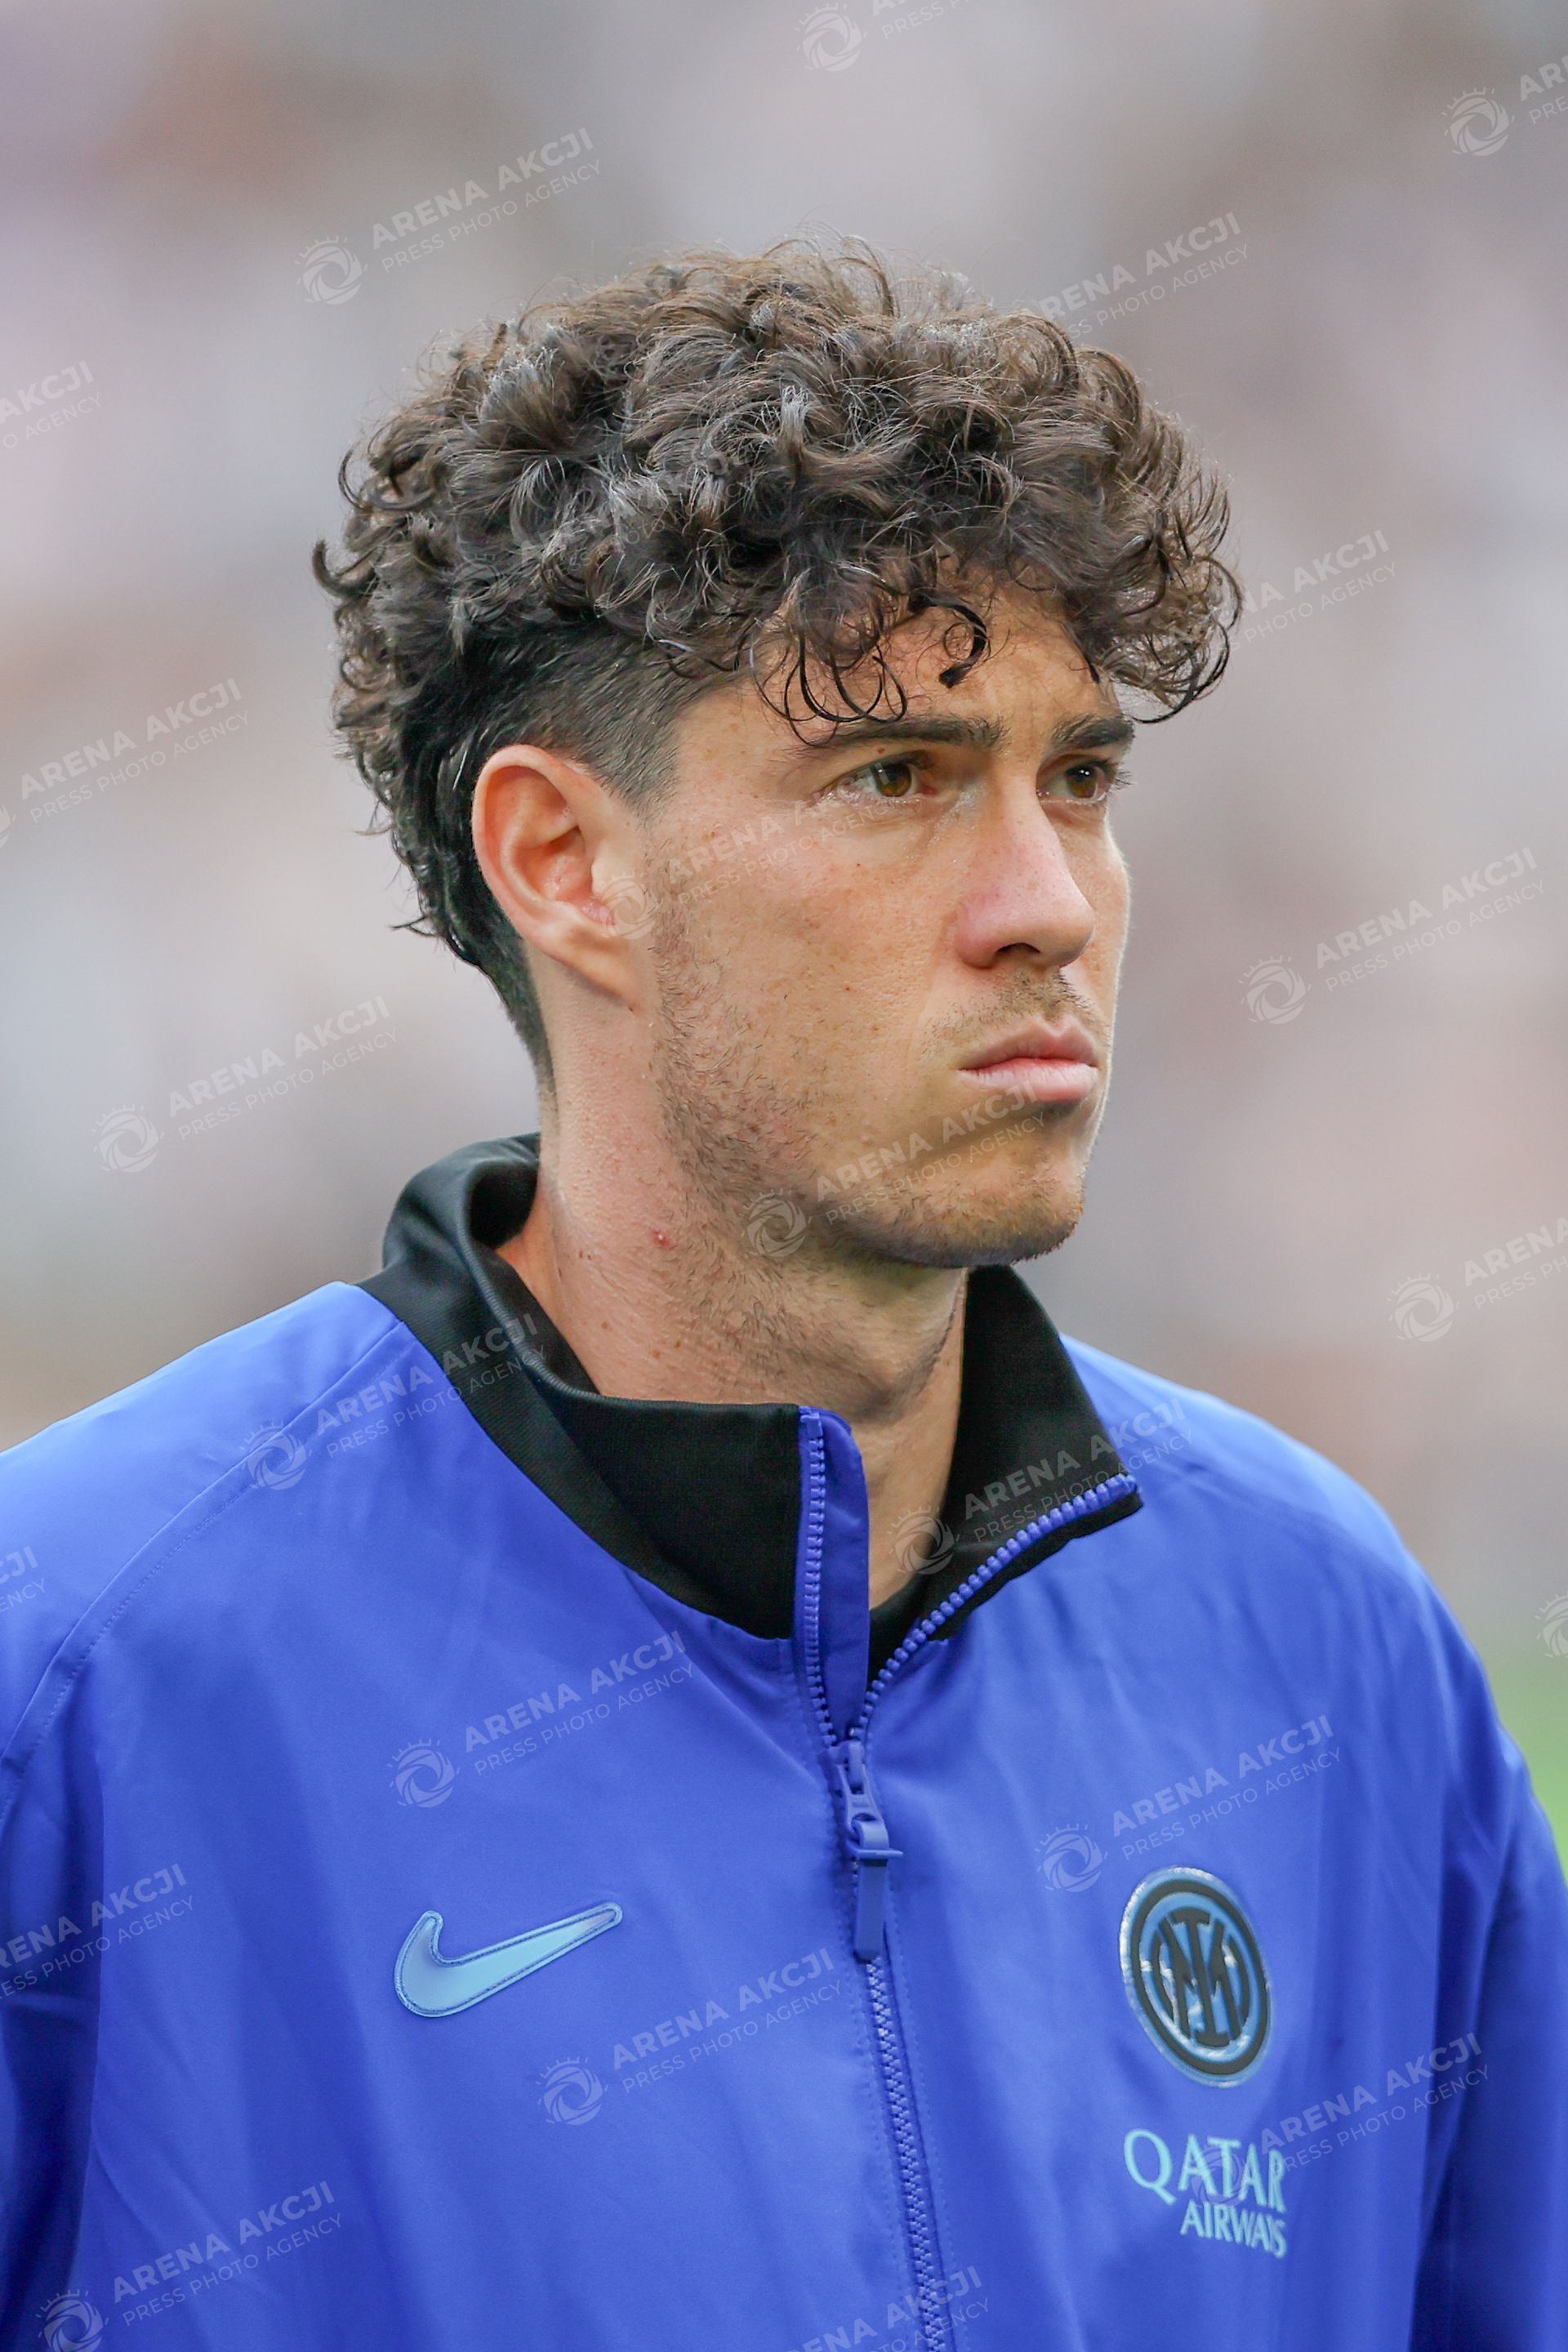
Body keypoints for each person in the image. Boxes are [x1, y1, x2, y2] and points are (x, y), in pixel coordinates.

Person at [1, 240, 1562, 2352]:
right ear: (564, 862)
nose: (1048, 906)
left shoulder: (1328, 1645)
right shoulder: (82, 1666)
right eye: (897, 779)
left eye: (1080, 779)